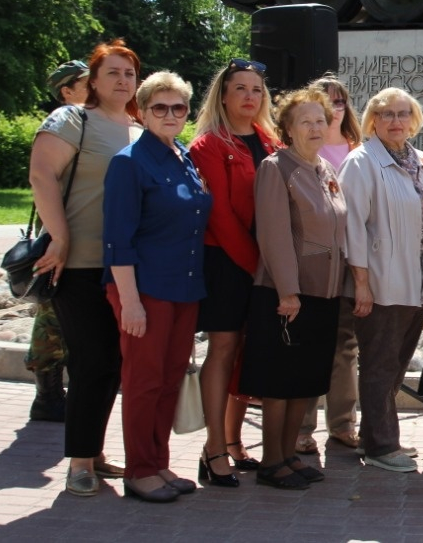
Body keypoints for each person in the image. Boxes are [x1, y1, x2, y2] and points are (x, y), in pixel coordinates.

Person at [28, 39, 142, 496]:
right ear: (92, 80)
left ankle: (93, 451)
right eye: (112, 72)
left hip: (126, 269)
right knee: (94, 360)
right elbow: (41, 175)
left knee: (111, 364)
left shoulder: (138, 129)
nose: (122, 80)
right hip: (76, 264)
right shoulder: (72, 119)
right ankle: (79, 461)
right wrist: (61, 236)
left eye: (130, 74)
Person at [102, 71, 211, 502]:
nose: (170, 114)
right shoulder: (129, 162)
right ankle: (139, 469)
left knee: (169, 380)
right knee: (144, 381)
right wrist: (130, 302)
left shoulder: (182, 155)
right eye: (160, 107)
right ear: (142, 112)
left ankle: (159, 462)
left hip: (184, 286)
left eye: (178, 107)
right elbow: (117, 239)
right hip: (144, 289)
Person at [241, 88, 348, 490]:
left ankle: (288, 455)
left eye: (320, 120)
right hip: (287, 294)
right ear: (287, 128)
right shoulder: (277, 168)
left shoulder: (325, 170)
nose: (315, 127)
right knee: (279, 381)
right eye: (305, 121)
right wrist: (288, 291)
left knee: (305, 379)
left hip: (325, 293)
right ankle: (271, 460)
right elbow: (275, 234)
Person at [340, 87, 423, 474]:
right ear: (372, 121)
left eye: (403, 113)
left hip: (421, 284)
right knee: (380, 365)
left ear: (414, 119)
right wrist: (362, 284)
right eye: (387, 114)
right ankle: (382, 446)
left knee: (396, 366)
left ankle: (377, 436)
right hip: (383, 284)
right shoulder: (361, 162)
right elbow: (352, 228)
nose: (396, 121)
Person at [189, 58, 279, 485]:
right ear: (223, 95)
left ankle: (234, 440)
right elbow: (220, 216)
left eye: (256, 89)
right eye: (240, 88)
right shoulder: (208, 145)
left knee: (246, 351)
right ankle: (212, 449)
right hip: (228, 261)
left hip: (263, 263)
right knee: (223, 348)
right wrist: (258, 264)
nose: (249, 96)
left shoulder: (270, 141)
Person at [298, 75, 362, 454]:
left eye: (339, 102)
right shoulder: (302, 150)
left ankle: (342, 424)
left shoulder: (358, 149)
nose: (333, 108)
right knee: (309, 345)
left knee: (345, 345)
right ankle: (302, 427)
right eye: (325, 102)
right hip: (312, 261)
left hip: (350, 261)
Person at [26, 60, 90, 423]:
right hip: (62, 234)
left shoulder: (88, 123)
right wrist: (59, 236)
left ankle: (51, 394)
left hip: (78, 232)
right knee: (51, 315)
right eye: (86, 82)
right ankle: (47, 395)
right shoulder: (64, 123)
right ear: (67, 91)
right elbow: (44, 179)